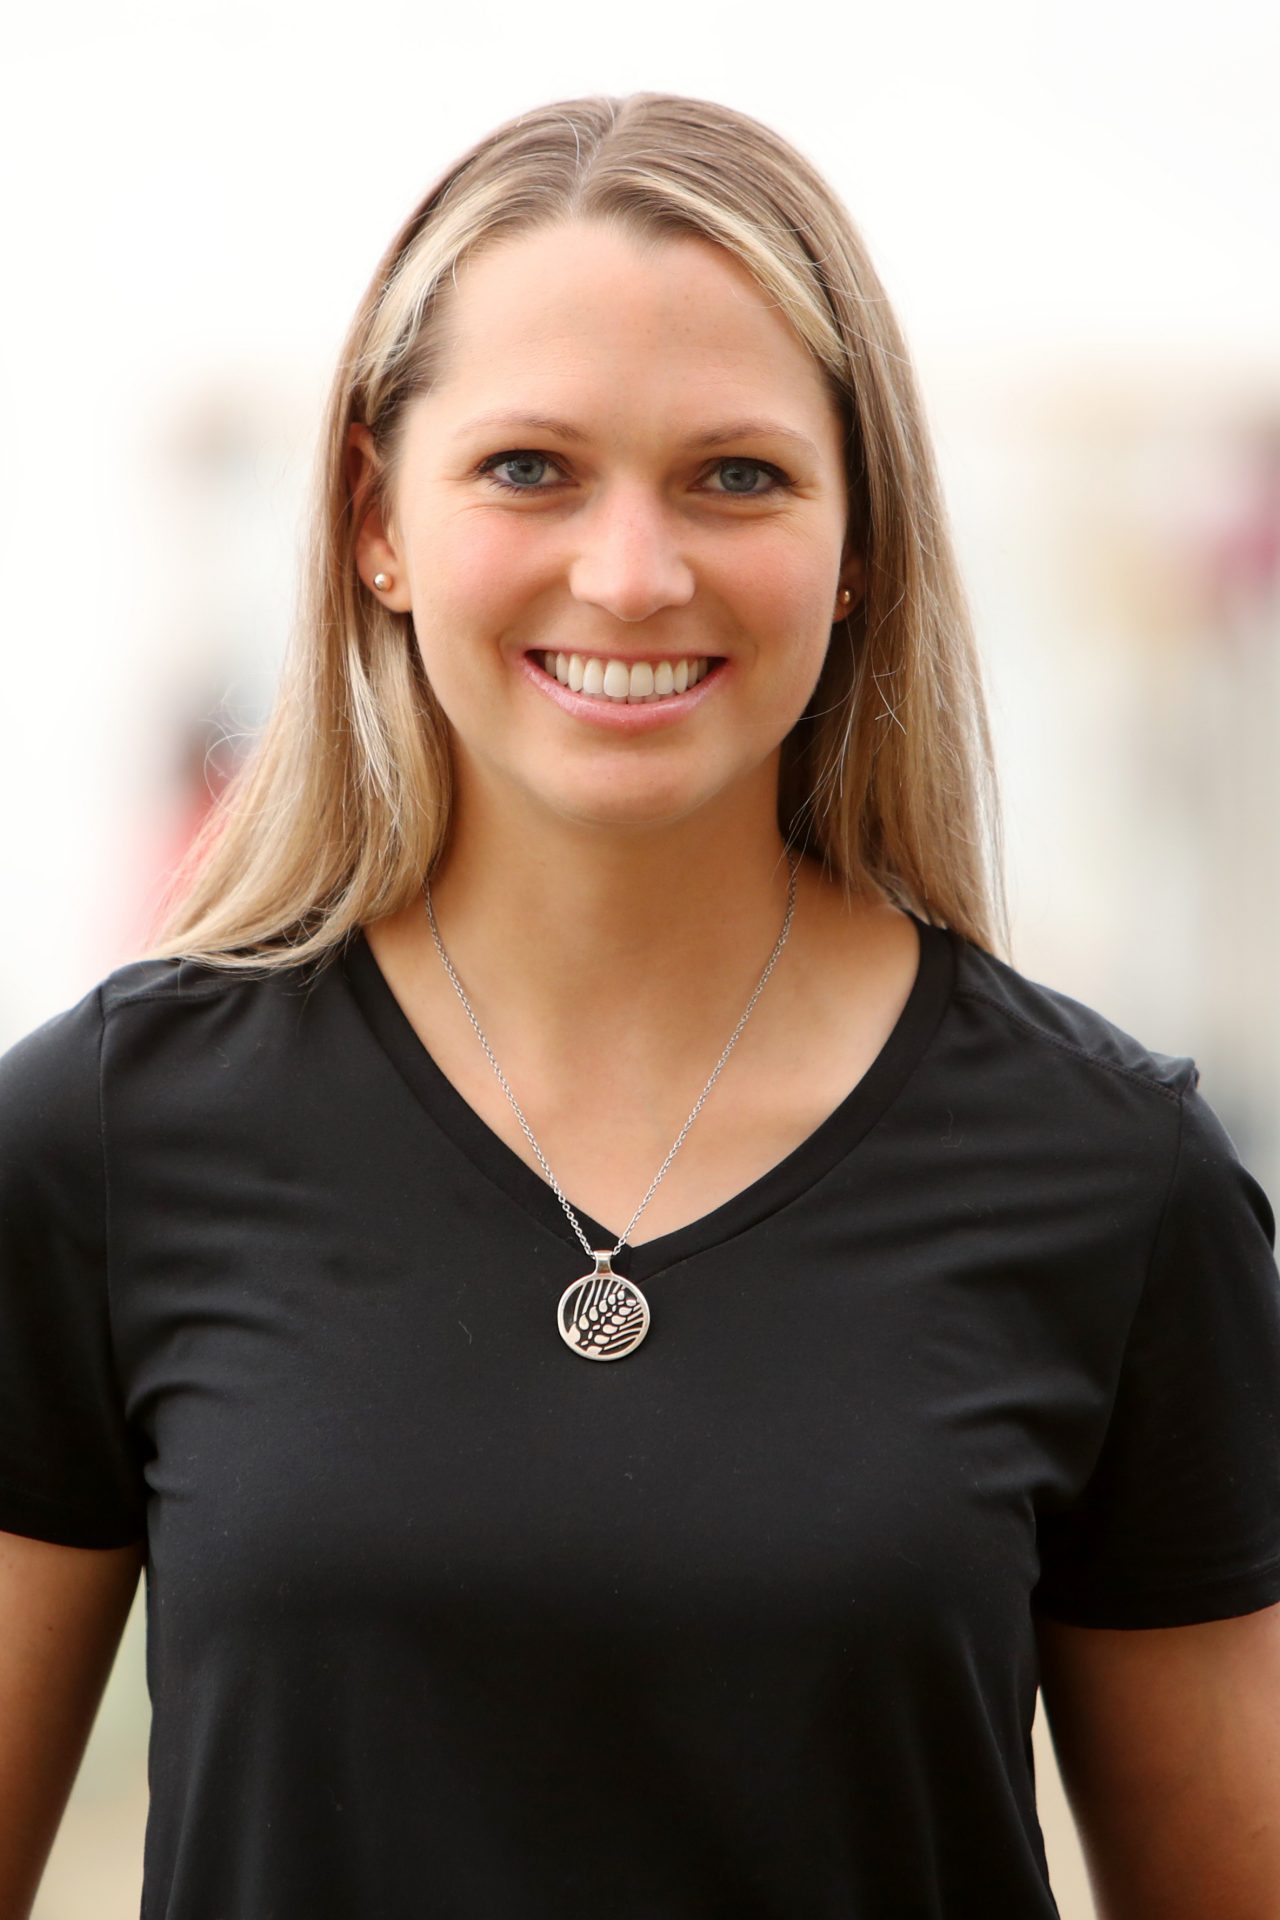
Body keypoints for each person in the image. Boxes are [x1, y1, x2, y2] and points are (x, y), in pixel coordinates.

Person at [2, 90, 1278, 1920]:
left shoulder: (1116, 1178)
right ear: (374, 518)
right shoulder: (103, 1143)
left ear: (859, 543)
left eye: (735, 477)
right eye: (530, 467)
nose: (630, 574)